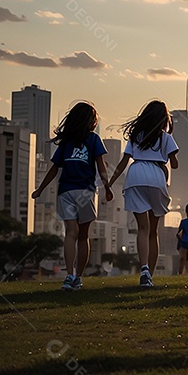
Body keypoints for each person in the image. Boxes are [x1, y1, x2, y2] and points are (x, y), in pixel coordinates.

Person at [32, 102, 114, 291]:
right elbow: (101, 166)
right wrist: (107, 187)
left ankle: (69, 276)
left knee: (70, 233)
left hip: (65, 191)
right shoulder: (94, 140)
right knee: (83, 236)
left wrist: (40, 189)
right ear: (91, 122)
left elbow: (54, 169)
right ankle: (78, 277)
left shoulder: (66, 142)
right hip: (85, 192)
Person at [107, 100, 179, 289]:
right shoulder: (165, 138)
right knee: (153, 231)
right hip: (156, 177)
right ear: (164, 119)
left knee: (142, 229)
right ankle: (150, 276)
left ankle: (145, 269)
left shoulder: (136, 135)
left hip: (135, 174)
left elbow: (123, 162)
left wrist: (109, 183)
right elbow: (176, 163)